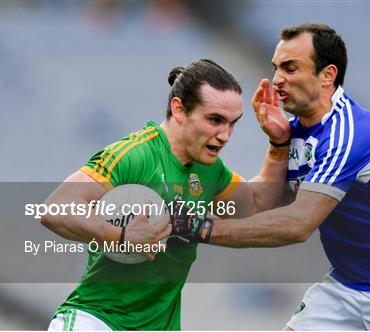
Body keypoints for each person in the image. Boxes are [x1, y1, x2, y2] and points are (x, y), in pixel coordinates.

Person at [172, 24, 370, 330]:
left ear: (327, 75)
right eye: (276, 68)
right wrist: (278, 145)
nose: (277, 80)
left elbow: (299, 224)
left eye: (290, 68)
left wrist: (200, 229)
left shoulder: (350, 131)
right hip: (346, 288)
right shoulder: (296, 130)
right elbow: (259, 202)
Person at [41, 58, 290, 330]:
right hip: (98, 321)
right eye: (215, 120)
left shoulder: (211, 170)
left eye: (233, 123)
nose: (225, 135)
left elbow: (256, 203)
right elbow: (56, 208)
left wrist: (279, 144)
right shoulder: (134, 155)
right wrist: (122, 236)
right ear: (179, 109)